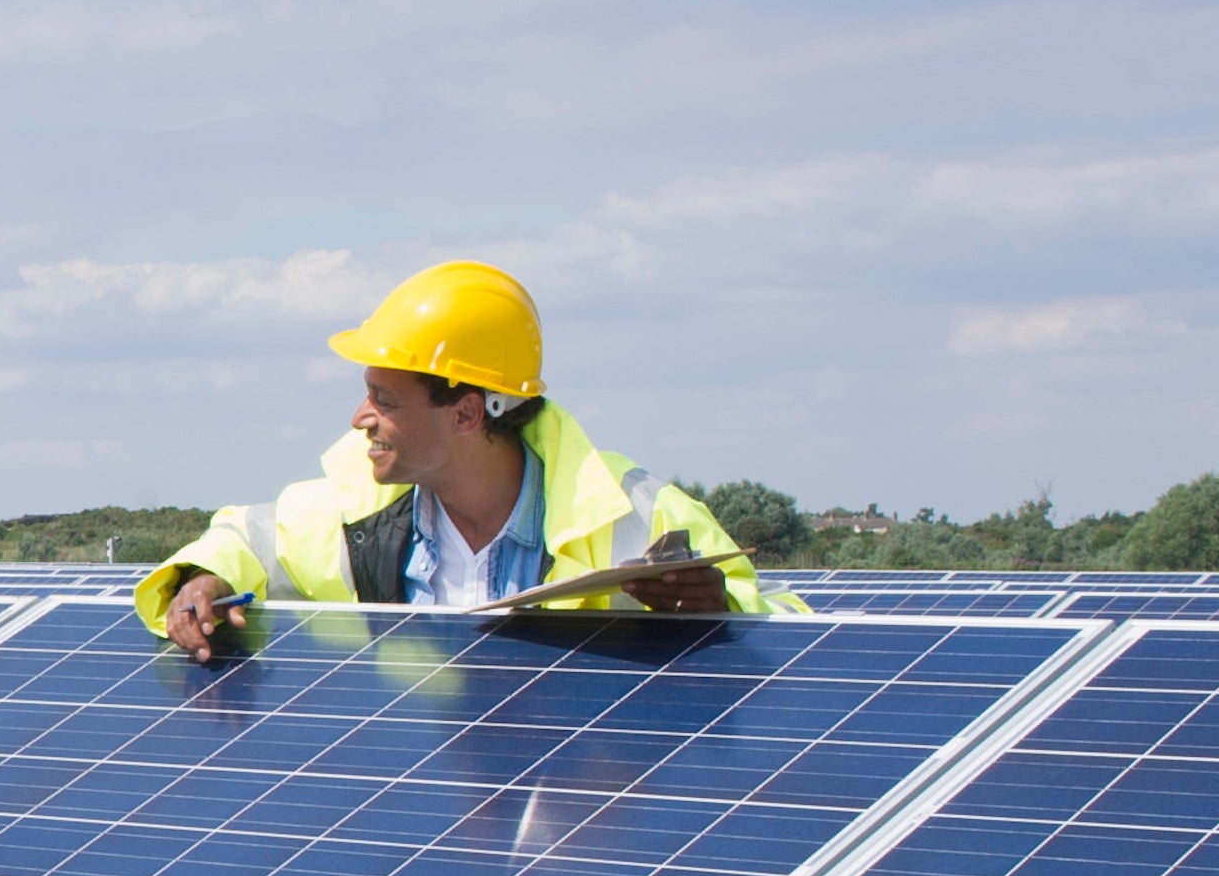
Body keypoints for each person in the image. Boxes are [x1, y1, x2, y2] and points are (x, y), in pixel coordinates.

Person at [140, 259, 782, 660]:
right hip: (419, 813)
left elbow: (789, 639)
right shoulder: (355, 506)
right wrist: (202, 580)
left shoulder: (639, 515)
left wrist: (719, 616)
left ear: (467, 413)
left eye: (383, 400)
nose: (359, 418)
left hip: (569, 819)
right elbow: (245, 540)